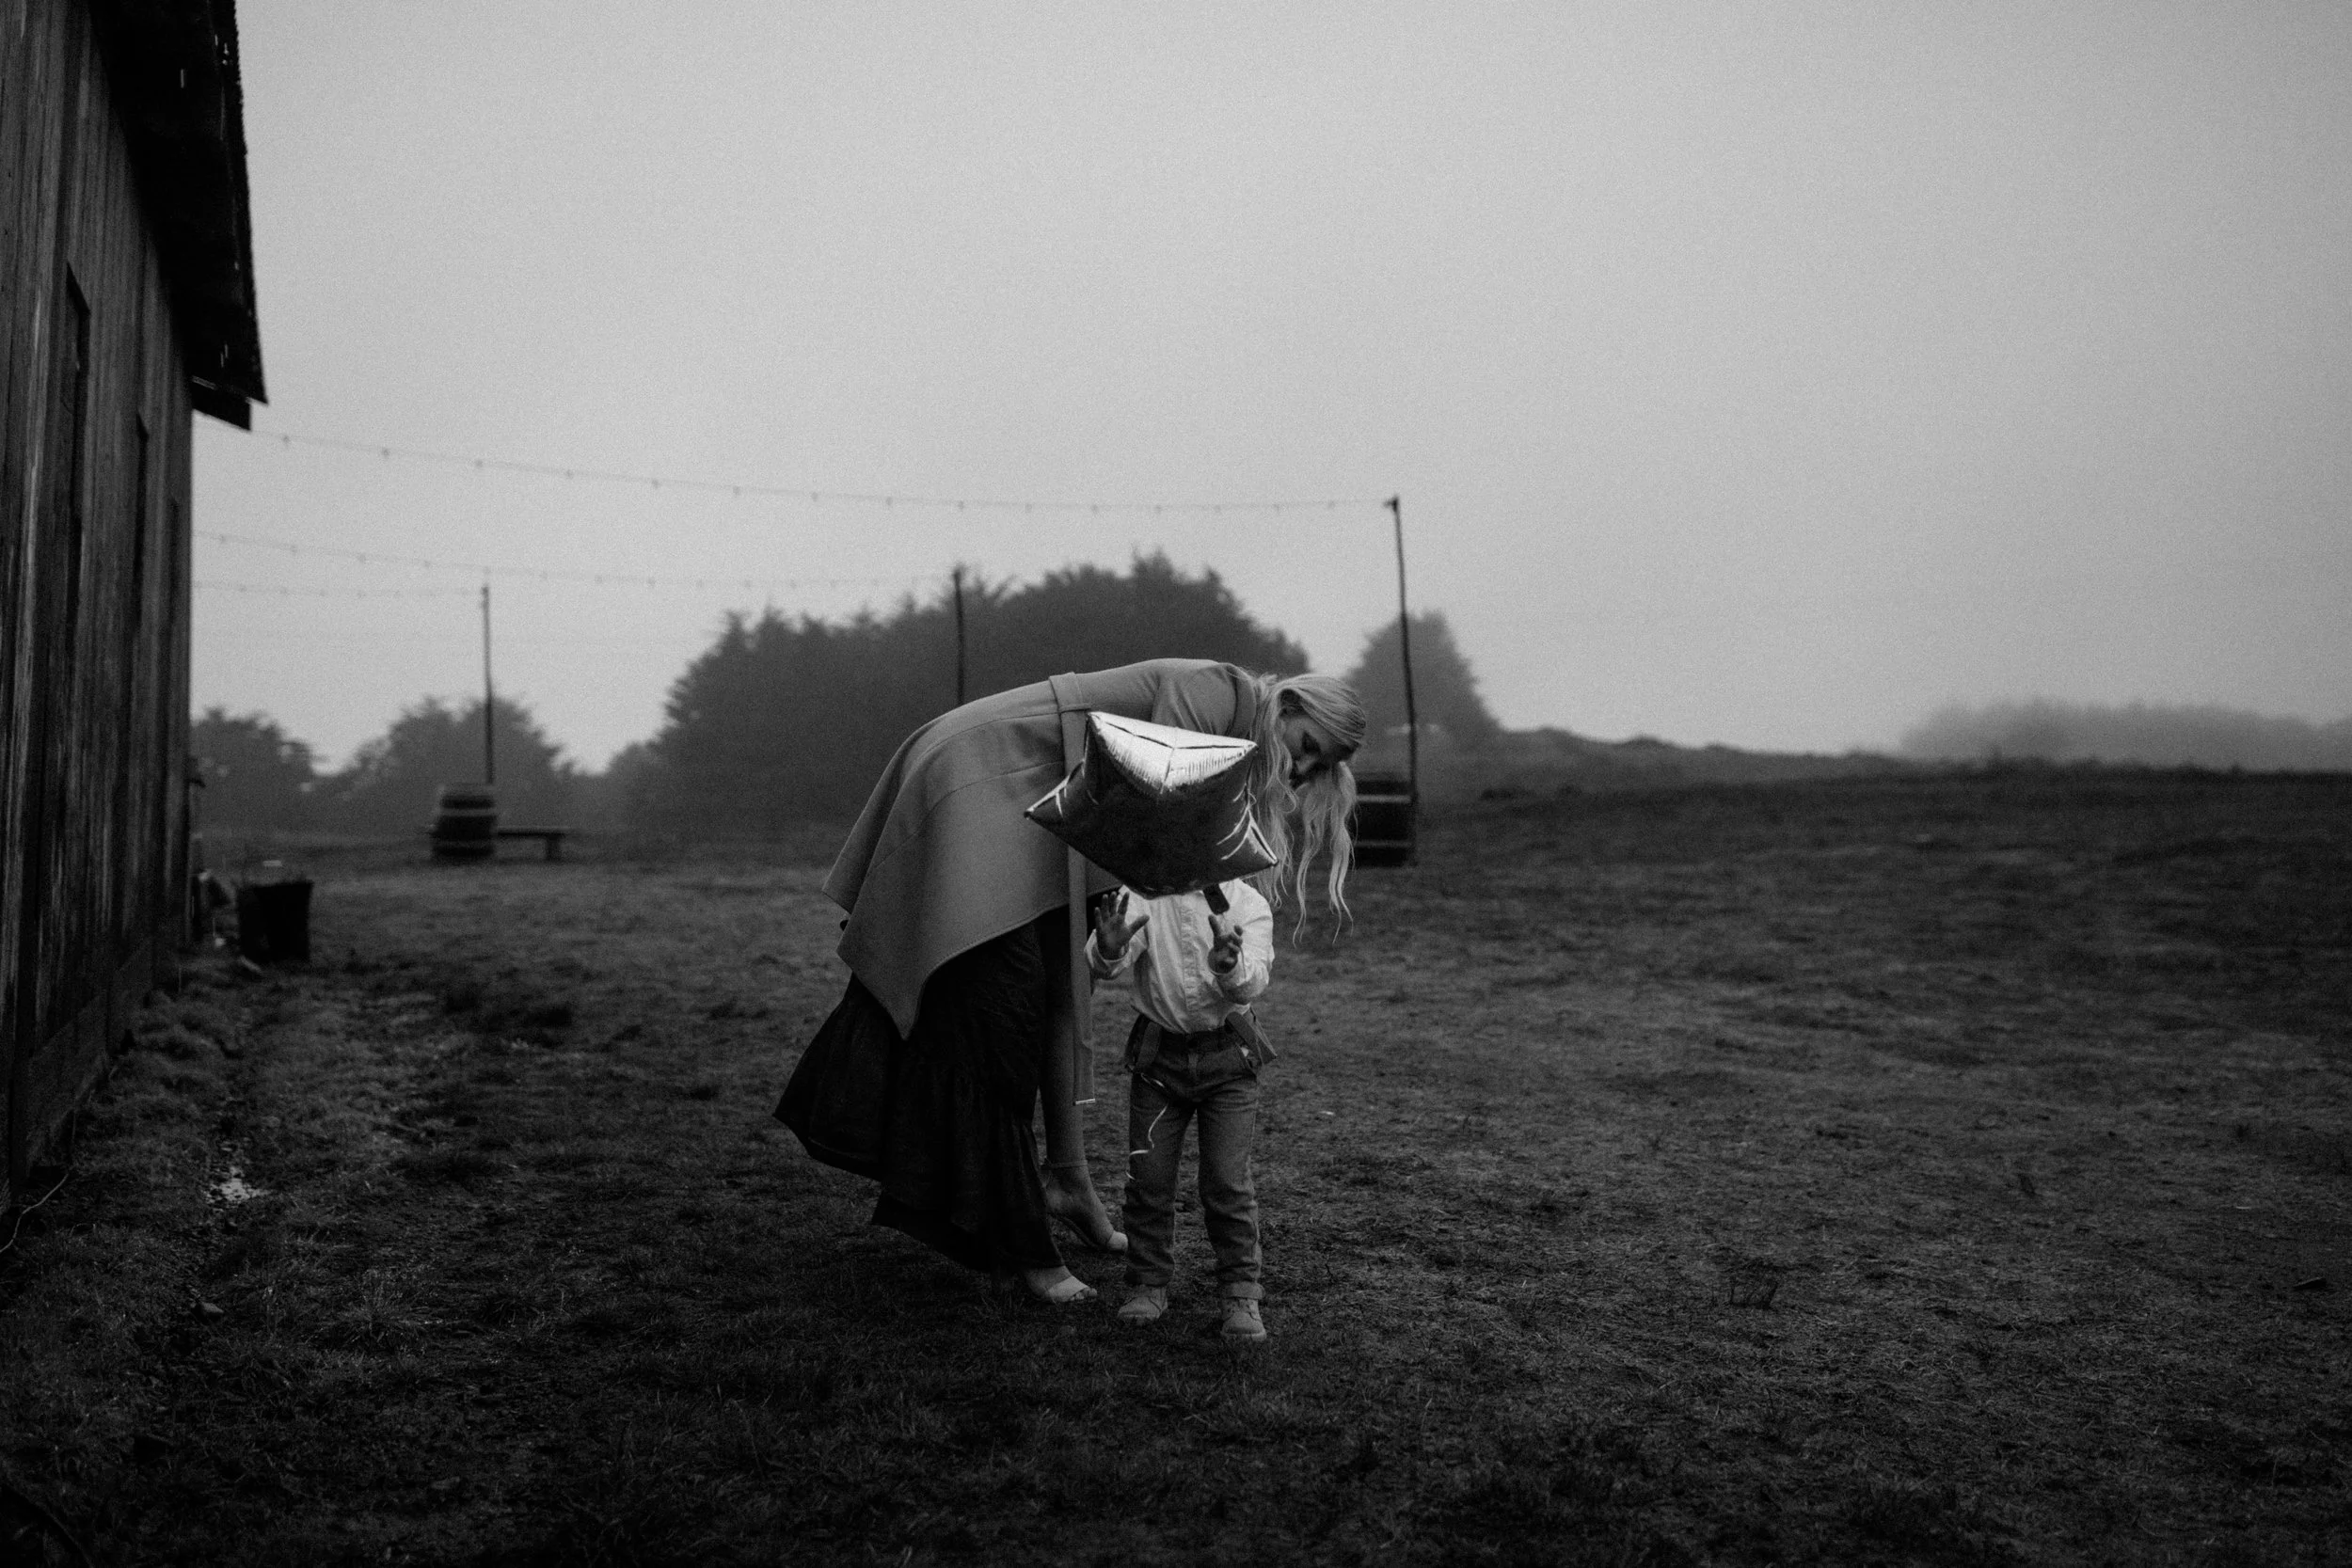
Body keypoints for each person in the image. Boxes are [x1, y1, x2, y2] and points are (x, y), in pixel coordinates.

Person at [776, 658, 1362, 1305]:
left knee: (1062, 986)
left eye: (1320, 767)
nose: (1302, 769)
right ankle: (1024, 1247)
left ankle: (1068, 1182)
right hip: (982, 776)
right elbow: (1160, 816)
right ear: (1288, 706)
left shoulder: (1236, 734)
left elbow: (1149, 857)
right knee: (1004, 1008)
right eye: (1307, 746)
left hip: (1042, 807)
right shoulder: (1217, 691)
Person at [1088, 879, 1279, 1340]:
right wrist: (1108, 949)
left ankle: (1241, 1292)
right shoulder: (1144, 896)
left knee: (1227, 1182)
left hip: (1228, 1062)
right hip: (1160, 1062)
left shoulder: (1248, 904)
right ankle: (1148, 1282)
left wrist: (1228, 965)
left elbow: (1253, 982)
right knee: (1148, 1179)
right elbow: (1105, 961)